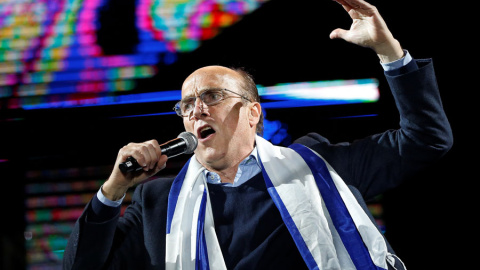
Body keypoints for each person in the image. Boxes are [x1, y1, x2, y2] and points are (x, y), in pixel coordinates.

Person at [63, 0, 453, 269]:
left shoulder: (319, 167)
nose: (197, 109)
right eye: (187, 104)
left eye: (212, 96)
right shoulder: (158, 202)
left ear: (252, 113)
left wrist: (390, 52)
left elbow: (426, 139)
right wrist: (113, 190)